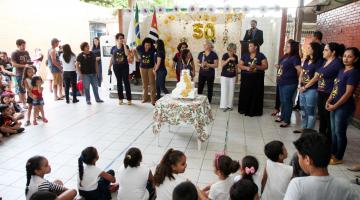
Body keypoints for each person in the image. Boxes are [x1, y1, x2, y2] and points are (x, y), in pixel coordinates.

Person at [284, 133, 359, 200]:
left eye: (299, 156)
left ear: (307, 160)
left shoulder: (298, 185)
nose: (298, 160)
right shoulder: (346, 186)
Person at [326, 47, 360, 165]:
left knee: (340, 132)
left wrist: (335, 106)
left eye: (350, 56)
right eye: (345, 56)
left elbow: (348, 93)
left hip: (344, 107)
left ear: (355, 59)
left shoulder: (353, 73)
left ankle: (339, 157)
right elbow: (335, 88)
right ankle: (333, 153)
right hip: (334, 104)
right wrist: (329, 99)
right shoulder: (341, 70)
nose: (346, 58)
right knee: (334, 131)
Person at [305, 43, 344, 142]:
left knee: (328, 120)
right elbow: (318, 74)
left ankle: (328, 141)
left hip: (329, 94)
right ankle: (321, 139)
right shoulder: (325, 62)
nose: (323, 51)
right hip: (321, 92)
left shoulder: (337, 63)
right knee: (322, 117)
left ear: (333, 52)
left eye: (326, 50)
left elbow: (320, 75)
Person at [294, 42, 325, 133]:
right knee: (303, 110)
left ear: (314, 50)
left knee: (311, 111)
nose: (307, 49)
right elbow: (302, 73)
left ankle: (309, 130)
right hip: (303, 88)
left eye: (309, 48)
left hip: (312, 89)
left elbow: (316, 78)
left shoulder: (319, 62)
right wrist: (299, 84)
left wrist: (305, 87)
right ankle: (304, 127)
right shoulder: (307, 60)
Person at [275, 40, 302, 127]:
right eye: (285, 46)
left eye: (288, 46)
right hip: (282, 82)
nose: (285, 48)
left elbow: (300, 70)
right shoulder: (285, 56)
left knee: (287, 101)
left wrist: (297, 79)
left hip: (290, 83)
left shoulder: (295, 57)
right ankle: (282, 116)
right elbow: (283, 67)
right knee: (282, 101)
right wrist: (278, 66)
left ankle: (287, 120)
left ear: (293, 48)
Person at [238, 41, 268, 116]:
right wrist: (247, 68)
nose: (249, 48)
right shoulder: (245, 55)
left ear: (255, 47)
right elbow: (240, 65)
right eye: (249, 46)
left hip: (257, 81)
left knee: (255, 95)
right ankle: (244, 109)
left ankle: (255, 111)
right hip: (246, 80)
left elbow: (265, 66)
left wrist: (256, 66)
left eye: (251, 46)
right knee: (245, 94)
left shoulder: (261, 55)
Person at [109, 33, 132, 105]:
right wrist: (109, 66)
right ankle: (120, 99)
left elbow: (127, 54)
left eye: (122, 38)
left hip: (124, 66)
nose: (121, 39)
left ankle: (129, 99)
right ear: (116, 39)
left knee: (126, 82)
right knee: (119, 82)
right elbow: (112, 58)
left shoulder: (126, 46)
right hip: (116, 67)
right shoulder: (113, 48)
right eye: (120, 38)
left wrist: (124, 44)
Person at [11, 39, 31, 108]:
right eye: (22, 45)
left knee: (29, 88)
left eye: (25, 45)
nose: (24, 46)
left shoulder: (26, 52)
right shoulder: (14, 53)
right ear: (18, 45)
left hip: (28, 73)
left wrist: (30, 63)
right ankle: (24, 103)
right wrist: (24, 65)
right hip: (19, 74)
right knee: (22, 90)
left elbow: (28, 60)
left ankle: (30, 102)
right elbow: (13, 64)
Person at [136, 38, 156, 105]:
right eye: (146, 45)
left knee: (152, 84)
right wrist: (135, 54)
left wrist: (155, 68)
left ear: (151, 45)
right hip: (142, 68)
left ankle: (153, 100)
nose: (147, 46)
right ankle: (145, 98)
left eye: (149, 45)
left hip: (151, 68)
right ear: (144, 44)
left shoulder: (153, 50)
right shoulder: (140, 49)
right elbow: (138, 58)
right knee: (144, 84)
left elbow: (156, 58)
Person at [220, 43, 239, 112]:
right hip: (224, 76)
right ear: (231, 49)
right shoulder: (225, 55)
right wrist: (228, 59)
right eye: (235, 49)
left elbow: (236, 67)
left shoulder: (236, 56)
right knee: (224, 91)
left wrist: (237, 76)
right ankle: (224, 106)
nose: (235, 50)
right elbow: (222, 65)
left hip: (232, 76)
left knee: (231, 91)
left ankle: (229, 105)